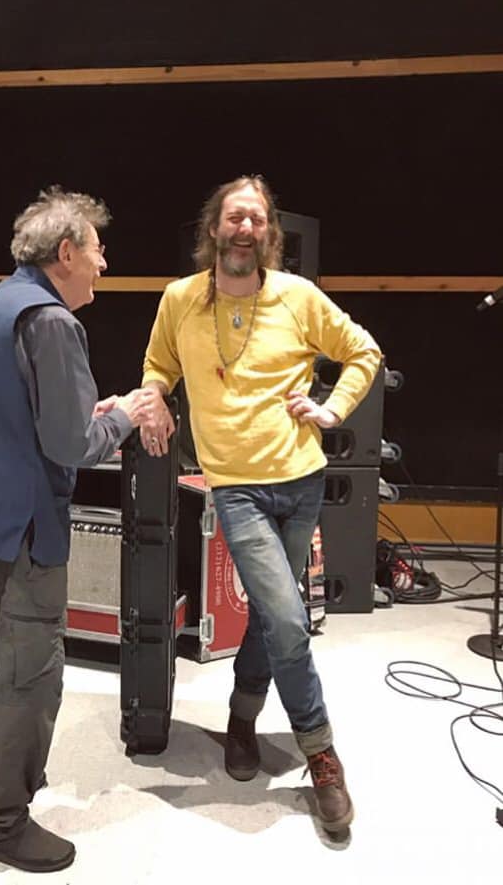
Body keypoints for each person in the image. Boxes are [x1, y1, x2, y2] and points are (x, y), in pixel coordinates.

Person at [139, 175, 381, 834]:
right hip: (236, 488)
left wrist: (331, 407)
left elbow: (363, 352)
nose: (244, 228)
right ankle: (321, 753)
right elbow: (157, 366)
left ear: (268, 233)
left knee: (273, 619)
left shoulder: (298, 297)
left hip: (301, 481)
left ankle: (242, 717)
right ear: (213, 228)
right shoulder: (180, 300)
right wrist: (155, 398)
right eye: (234, 217)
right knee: (288, 620)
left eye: (256, 219)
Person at [0, 186, 152, 873]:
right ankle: (0, 822)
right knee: (30, 675)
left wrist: (93, 412)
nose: (104, 264)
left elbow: (21, 415)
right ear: (66, 252)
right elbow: (70, 445)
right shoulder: (52, 321)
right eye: (97, 249)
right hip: (23, 526)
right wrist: (128, 414)